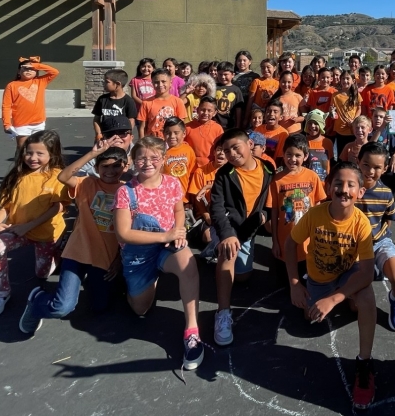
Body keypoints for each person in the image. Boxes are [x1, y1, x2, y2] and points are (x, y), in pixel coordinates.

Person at [285, 162, 378, 409]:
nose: (344, 189)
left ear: (360, 192)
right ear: (328, 187)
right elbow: (290, 244)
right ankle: (341, 297)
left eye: (351, 185)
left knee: (366, 298)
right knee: (309, 318)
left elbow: (367, 273)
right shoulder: (315, 214)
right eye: (338, 183)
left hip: (349, 274)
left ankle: (364, 364)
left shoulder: (361, 223)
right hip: (320, 278)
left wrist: (334, 298)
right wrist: (295, 283)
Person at [113, 137, 204, 370]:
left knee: (188, 264)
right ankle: (142, 280)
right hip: (138, 254)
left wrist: (180, 231)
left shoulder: (172, 183)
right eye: (141, 157)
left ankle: (192, 332)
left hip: (167, 248)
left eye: (154, 157)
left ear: (163, 159)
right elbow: (123, 234)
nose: (148, 162)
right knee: (140, 309)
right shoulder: (125, 191)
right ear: (133, 161)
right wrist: (165, 235)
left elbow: (178, 210)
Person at [20, 141, 128, 333]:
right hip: (78, 251)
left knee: (100, 307)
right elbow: (63, 176)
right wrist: (93, 153)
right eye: (105, 166)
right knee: (62, 307)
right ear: (96, 168)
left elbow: (128, 231)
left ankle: (92, 282)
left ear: (125, 167)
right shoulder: (86, 184)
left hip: (104, 257)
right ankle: (37, 301)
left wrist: (119, 259)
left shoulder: (129, 191)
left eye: (116, 166)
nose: (110, 171)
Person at [0, 129, 67, 320]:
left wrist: (28, 226)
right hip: (19, 231)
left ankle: (58, 251)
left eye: (39, 153)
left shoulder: (58, 177)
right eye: (29, 152)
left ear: (52, 155)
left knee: (42, 274)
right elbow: (6, 205)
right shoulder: (18, 175)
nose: (32, 158)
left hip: (46, 234)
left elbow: (57, 208)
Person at [210, 129, 275, 345]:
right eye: (226, 150)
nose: (231, 153)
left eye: (235, 147)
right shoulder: (224, 175)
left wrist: (266, 214)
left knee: (243, 277)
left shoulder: (268, 168)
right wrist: (227, 234)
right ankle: (223, 314)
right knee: (227, 253)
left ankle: (217, 251)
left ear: (250, 145)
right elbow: (217, 208)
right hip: (228, 226)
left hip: (249, 229)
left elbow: (270, 198)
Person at [356, 142, 395, 331]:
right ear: (358, 162)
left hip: (379, 242)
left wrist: (377, 238)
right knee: (356, 305)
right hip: (353, 246)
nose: (370, 171)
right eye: (366, 165)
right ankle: (370, 271)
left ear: (385, 168)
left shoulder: (386, 193)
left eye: (377, 167)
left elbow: (388, 219)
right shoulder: (350, 188)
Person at [267, 133, 327, 276]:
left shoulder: (312, 176)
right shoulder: (276, 180)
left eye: (297, 155)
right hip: (285, 239)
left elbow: (318, 207)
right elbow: (274, 212)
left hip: (308, 240)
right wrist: (275, 242)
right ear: (283, 153)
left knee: (308, 279)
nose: (292, 159)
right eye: (289, 154)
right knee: (284, 283)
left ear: (305, 157)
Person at [1, 56, 59, 152]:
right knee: (22, 148)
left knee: (38, 148)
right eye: (25, 68)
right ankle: (19, 166)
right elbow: (6, 106)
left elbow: (55, 72)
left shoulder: (41, 81)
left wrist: (36, 64)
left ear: (36, 71)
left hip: (39, 122)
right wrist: (7, 124)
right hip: (21, 124)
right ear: (19, 71)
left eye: (32, 69)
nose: (29, 70)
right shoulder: (12, 85)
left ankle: (36, 166)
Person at [368, 107, 395, 202]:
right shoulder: (369, 131)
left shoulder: (388, 132)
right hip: (372, 161)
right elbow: (370, 145)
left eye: (381, 117)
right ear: (372, 118)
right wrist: (382, 127)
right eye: (376, 116)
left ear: (385, 119)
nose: (378, 119)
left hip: (386, 161)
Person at [137, 69, 187, 139]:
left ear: (170, 82)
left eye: (163, 81)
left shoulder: (178, 102)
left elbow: (181, 126)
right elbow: (142, 127)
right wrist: (142, 143)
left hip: (171, 142)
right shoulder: (146, 103)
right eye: (156, 82)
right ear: (152, 83)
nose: (160, 85)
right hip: (153, 142)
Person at [91, 68, 137, 144]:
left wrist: (127, 135)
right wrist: (98, 134)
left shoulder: (128, 101)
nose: (104, 84)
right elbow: (96, 119)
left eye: (107, 82)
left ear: (117, 84)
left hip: (121, 138)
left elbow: (131, 121)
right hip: (105, 136)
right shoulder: (102, 99)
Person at [184, 97, 225, 167]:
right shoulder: (188, 127)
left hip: (210, 166)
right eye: (202, 110)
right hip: (191, 165)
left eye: (209, 111)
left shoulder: (218, 128)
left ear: (215, 113)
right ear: (197, 110)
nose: (205, 113)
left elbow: (221, 147)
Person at [162, 117, 197, 196]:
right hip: (166, 197)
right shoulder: (160, 151)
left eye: (176, 133)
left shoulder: (188, 150)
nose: (172, 136)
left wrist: (191, 197)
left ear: (184, 134)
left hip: (184, 197)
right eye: (168, 133)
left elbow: (192, 175)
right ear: (163, 133)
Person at [330, 70, 361, 154]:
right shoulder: (335, 95)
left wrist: (354, 120)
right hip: (340, 129)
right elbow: (332, 110)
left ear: (353, 81)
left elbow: (359, 109)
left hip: (353, 129)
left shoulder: (356, 94)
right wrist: (332, 113)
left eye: (348, 78)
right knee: (341, 154)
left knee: (352, 153)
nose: (345, 81)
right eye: (343, 78)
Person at [302, 111, 334, 179]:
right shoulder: (302, 141)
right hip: (307, 182)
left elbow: (331, 163)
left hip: (324, 183)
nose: (312, 126)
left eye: (316, 123)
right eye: (309, 123)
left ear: (321, 125)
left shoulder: (327, 142)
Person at [214, 61, 245, 130]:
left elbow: (238, 109)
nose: (222, 77)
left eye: (225, 74)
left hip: (229, 125)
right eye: (220, 74)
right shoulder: (213, 87)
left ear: (233, 75)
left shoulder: (236, 90)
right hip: (214, 124)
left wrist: (238, 125)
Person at [232, 50, 259, 124]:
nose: (242, 63)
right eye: (239, 60)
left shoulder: (255, 76)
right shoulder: (232, 76)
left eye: (244, 60)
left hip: (249, 107)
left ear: (250, 61)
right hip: (234, 108)